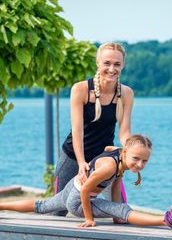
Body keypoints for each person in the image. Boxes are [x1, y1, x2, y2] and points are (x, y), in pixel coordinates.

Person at [0, 135, 172, 230]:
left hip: (73, 187)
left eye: (145, 161)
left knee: (42, 206)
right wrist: (89, 218)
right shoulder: (110, 167)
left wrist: (116, 213)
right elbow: (87, 190)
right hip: (79, 200)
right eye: (136, 159)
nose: (140, 164)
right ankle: (166, 220)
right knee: (124, 211)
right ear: (124, 153)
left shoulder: (117, 156)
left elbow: (109, 159)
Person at [54, 42, 134, 216]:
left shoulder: (126, 93)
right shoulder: (81, 89)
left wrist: (132, 152)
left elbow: (124, 132)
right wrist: (82, 162)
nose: (112, 68)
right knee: (57, 210)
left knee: (119, 210)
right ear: (98, 62)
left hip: (104, 159)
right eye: (107, 63)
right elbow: (77, 131)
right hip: (73, 156)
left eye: (117, 64)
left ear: (123, 66)